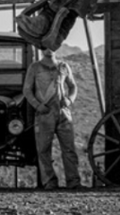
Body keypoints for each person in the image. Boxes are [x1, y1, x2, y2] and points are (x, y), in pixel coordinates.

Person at [22, 48, 84, 189]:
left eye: (52, 46)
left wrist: (70, 100)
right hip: (44, 114)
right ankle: (49, 182)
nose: (49, 50)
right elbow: (27, 89)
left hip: (63, 112)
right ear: (41, 49)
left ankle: (73, 181)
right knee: (44, 149)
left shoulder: (63, 66)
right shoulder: (35, 67)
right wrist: (37, 106)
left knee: (69, 149)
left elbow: (73, 85)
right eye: (45, 47)